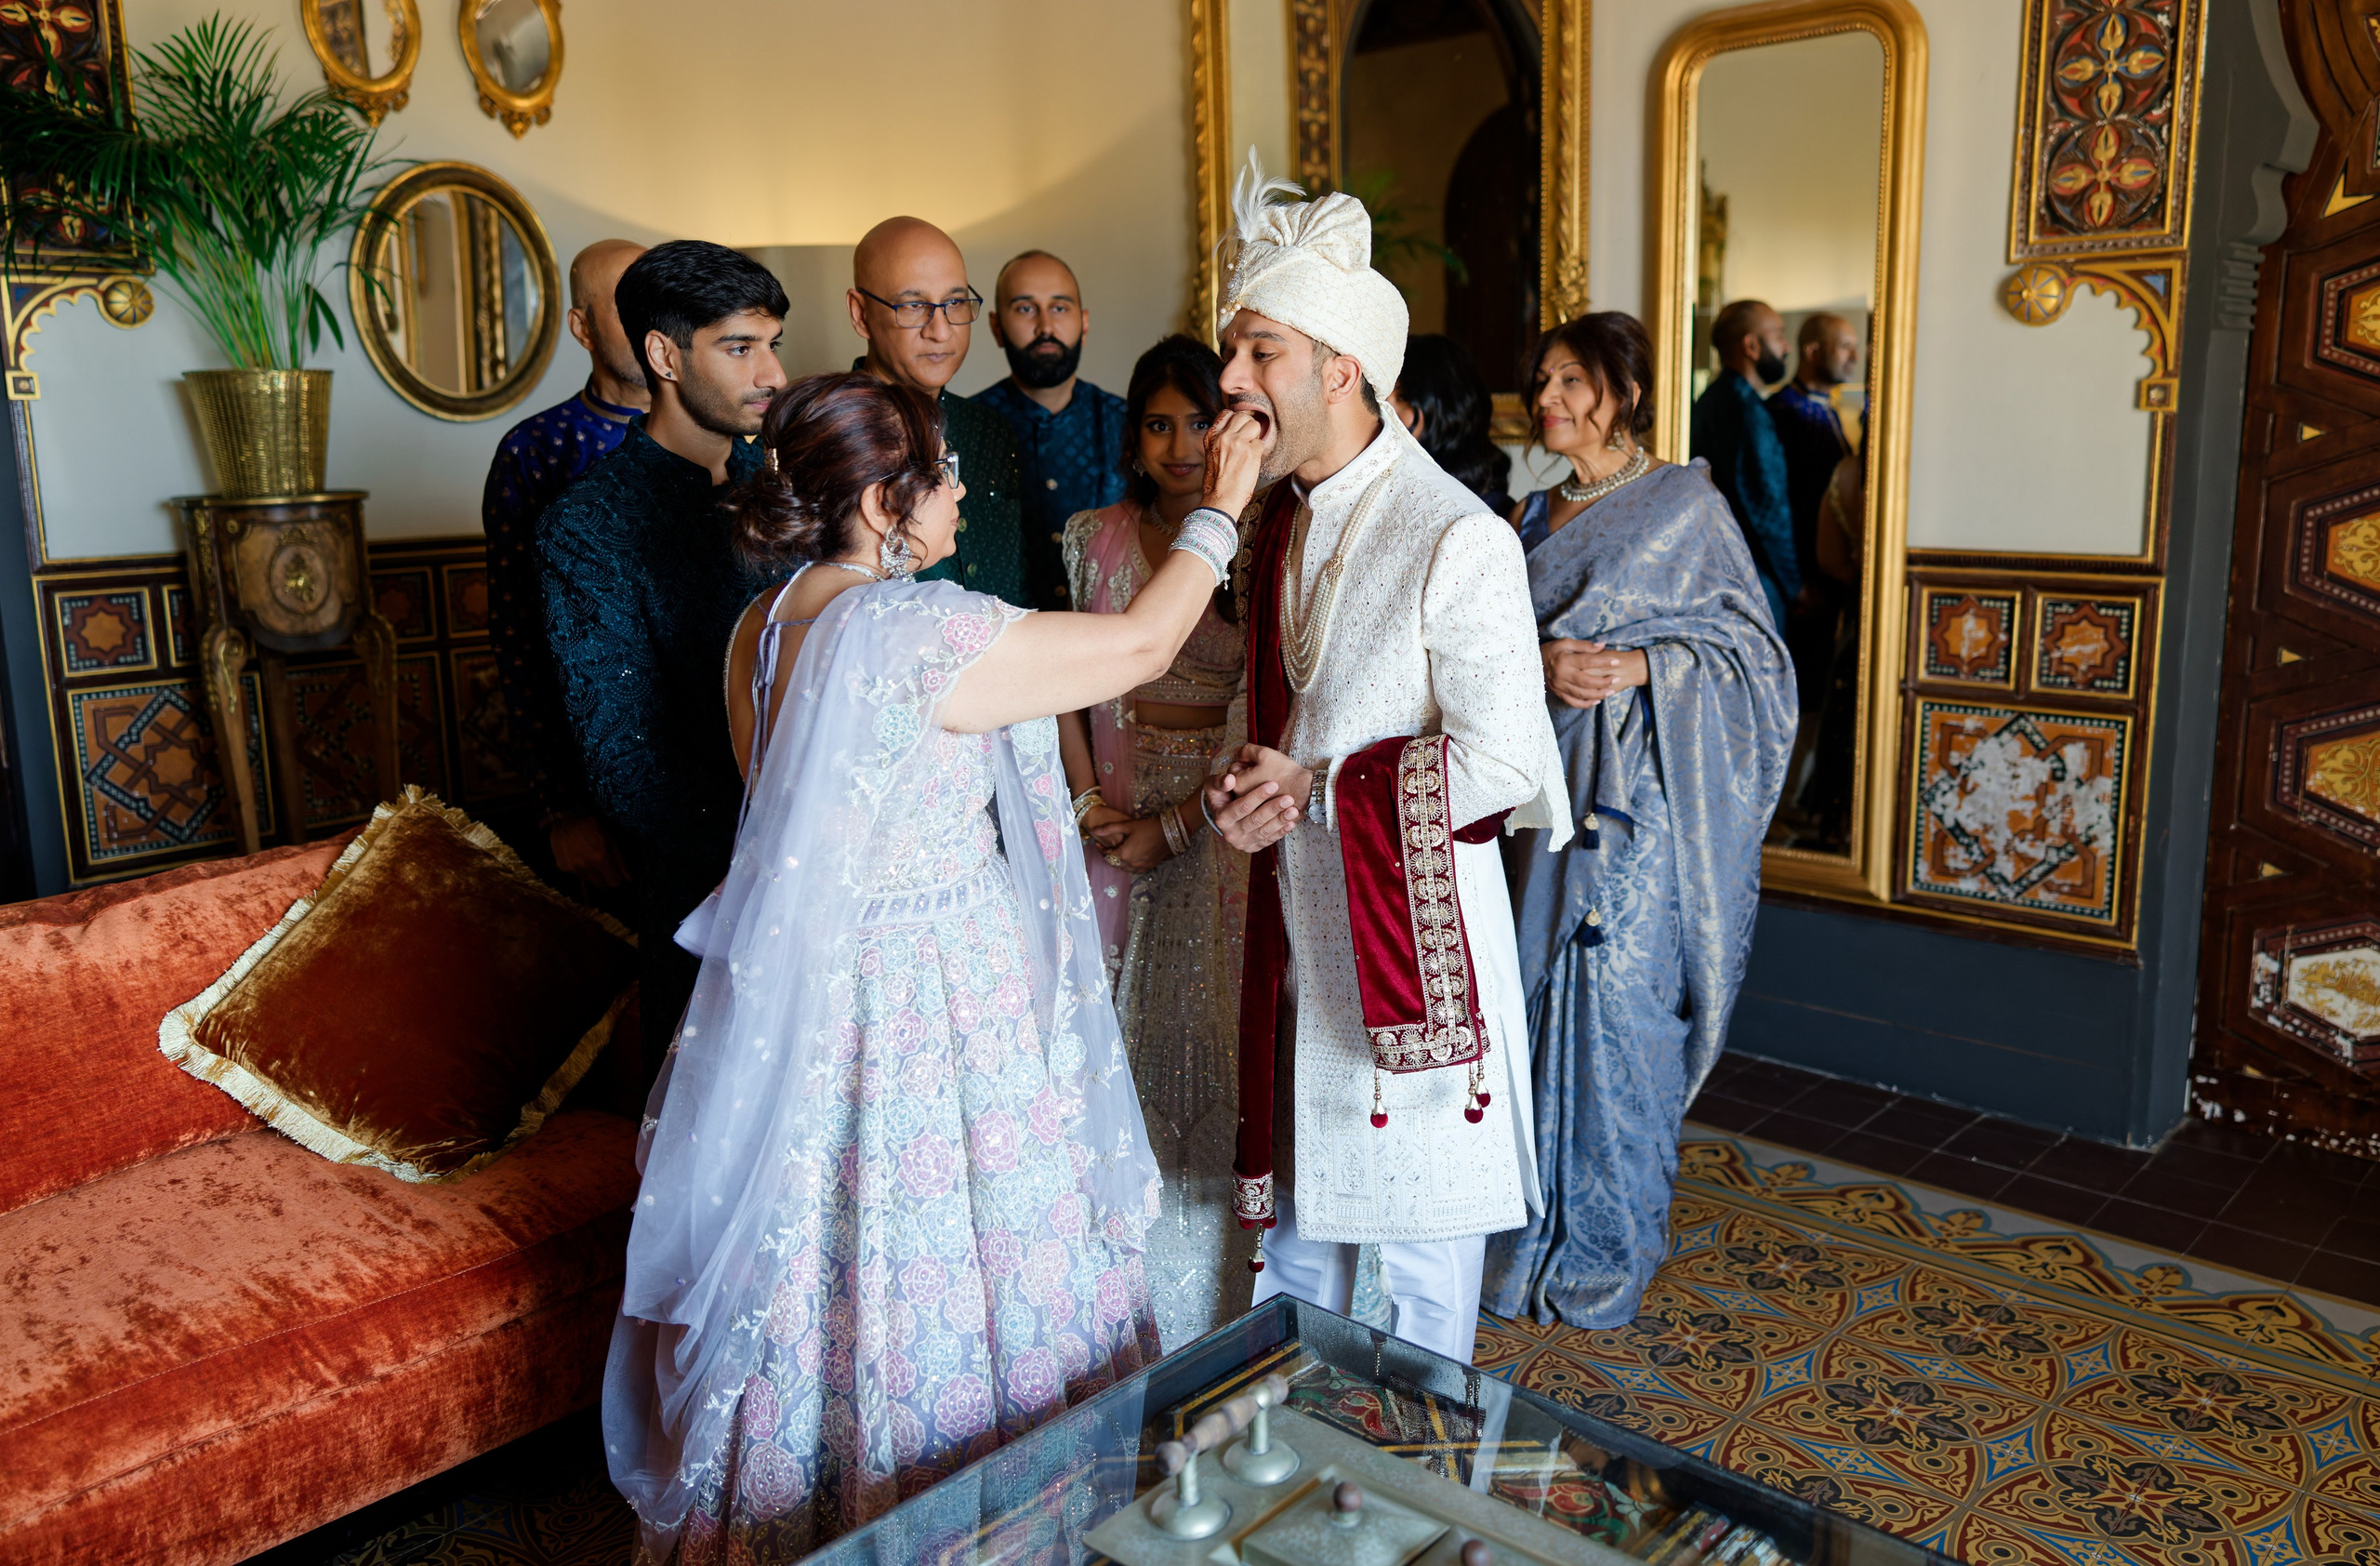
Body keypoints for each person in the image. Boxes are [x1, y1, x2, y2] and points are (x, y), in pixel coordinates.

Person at [603, 369, 1263, 1559]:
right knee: (956, 1264)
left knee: (829, 1268)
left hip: (818, 1008)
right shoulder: (917, 632)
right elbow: (1141, 643)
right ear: (878, 501)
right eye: (942, 471)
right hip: (934, 999)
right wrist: (1222, 507)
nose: (961, 489)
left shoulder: (763, 626)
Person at [1199, 157, 1567, 1367]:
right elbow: (1290, 710)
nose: (1230, 378)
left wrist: (1314, 790)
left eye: (1258, 352)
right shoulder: (1291, 516)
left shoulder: (1456, 535)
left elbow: (1506, 757)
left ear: (1339, 370)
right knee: (1297, 1250)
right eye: (1231, 352)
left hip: (1413, 945)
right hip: (1303, 929)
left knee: (1414, 1270)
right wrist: (1249, 781)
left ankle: (1422, 1526)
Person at [1483, 312, 1796, 1328]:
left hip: (1643, 807)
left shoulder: (1683, 505)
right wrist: (1538, 664)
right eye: (1541, 381)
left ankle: (1607, 1240)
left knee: (1615, 1004)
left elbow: (1758, 665)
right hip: (1537, 795)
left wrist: (1646, 665)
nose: (1549, 400)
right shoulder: (1523, 516)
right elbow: (1474, 649)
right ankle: (1521, 1231)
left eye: (1573, 380)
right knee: (1524, 1007)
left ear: (1624, 392)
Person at [539, 240, 788, 1068]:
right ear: (662, 354)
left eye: (772, 344)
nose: (773, 374)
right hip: (705, 894)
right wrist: (776, 847)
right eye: (740, 347)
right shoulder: (588, 526)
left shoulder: (791, 492)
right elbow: (625, 764)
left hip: (839, 874)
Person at [1056, 334, 1255, 1347]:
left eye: (1198, 421)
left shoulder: (1257, 546)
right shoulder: (1091, 536)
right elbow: (1060, 688)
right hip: (1102, 825)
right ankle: (1106, 1302)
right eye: (1159, 421)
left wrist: (1171, 828)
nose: (1180, 443)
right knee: (1105, 1048)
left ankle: (1202, 1308)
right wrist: (1093, 809)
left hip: (1216, 832)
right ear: (1133, 435)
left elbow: (1265, 710)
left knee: (1201, 1048)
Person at [481, 238, 646, 896]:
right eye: (625, 308)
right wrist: (560, 808)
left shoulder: (722, 438)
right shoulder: (536, 451)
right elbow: (518, 637)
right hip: (594, 780)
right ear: (582, 326)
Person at [848, 217, 1027, 603]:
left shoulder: (991, 430)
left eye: (955, 302)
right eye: (914, 305)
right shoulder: (824, 437)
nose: (941, 331)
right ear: (861, 314)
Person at [974, 249, 1130, 609]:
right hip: (1004, 645)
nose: (1045, 326)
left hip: (1109, 641)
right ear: (997, 327)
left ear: (1084, 323)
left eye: (1059, 308)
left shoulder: (1129, 423)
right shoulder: (965, 429)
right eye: (1025, 309)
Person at [1689, 299, 1799, 630]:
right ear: (1751, 345)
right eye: (1778, 334)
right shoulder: (1745, 411)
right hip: (1754, 578)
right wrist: (1796, 586)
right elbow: (1767, 510)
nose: (1786, 347)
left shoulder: (1712, 398)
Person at [1390, 332, 1513, 517]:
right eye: (1379, 397)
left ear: (1447, 405)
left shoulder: (1486, 513)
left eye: (1404, 397)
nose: (1386, 410)